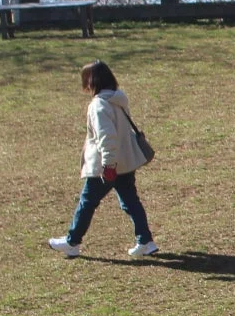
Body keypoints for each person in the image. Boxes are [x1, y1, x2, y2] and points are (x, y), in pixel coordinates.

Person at [46, 60, 158, 259]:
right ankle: (145, 240)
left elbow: (107, 138)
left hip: (109, 165)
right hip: (125, 162)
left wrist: (108, 165)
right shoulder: (118, 100)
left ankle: (72, 242)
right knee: (131, 201)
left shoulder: (99, 105)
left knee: (87, 202)